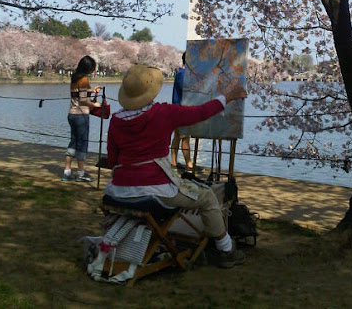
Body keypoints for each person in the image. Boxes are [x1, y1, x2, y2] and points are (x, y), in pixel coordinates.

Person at [105, 64, 247, 268]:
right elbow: (201, 112)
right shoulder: (163, 113)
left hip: (118, 190)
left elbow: (112, 161)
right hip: (154, 188)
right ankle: (226, 250)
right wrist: (227, 97)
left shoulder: (116, 120)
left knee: (190, 193)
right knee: (207, 197)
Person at [62, 55, 102, 182]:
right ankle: (80, 173)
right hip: (81, 115)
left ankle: (67, 171)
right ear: (89, 68)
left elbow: (78, 95)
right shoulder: (84, 79)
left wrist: (92, 91)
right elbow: (84, 100)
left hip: (71, 114)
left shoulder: (74, 77)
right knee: (82, 143)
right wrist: (95, 104)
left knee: (73, 142)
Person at [170, 52, 194, 171]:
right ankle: (188, 163)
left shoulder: (181, 73)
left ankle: (174, 162)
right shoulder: (183, 74)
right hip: (181, 109)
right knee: (184, 137)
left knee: (179, 136)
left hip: (178, 109)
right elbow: (186, 90)